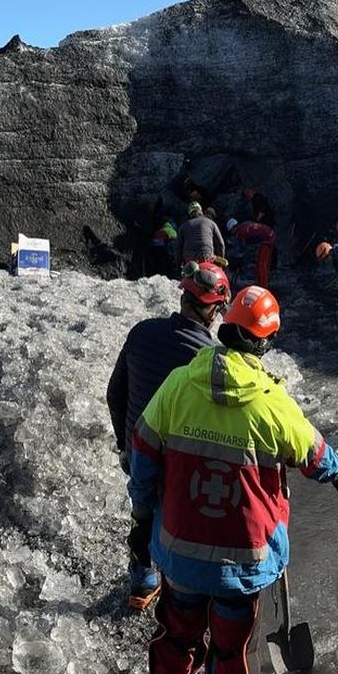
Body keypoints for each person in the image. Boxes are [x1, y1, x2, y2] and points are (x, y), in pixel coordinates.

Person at [128, 285, 338, 674]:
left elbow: (143, 455)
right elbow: (316, 454)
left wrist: (142, 520)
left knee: (174, 648)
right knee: (234, 664)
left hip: (181, 561)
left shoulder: (178, 384)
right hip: (243, 567)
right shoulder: (272, 402)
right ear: (266, 341)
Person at [107, 261, 229, 609]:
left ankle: (141, 579)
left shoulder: (141, 332)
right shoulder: (207, 358)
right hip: (180, 464)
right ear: (214, 310)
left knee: (142, 511)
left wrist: (124, 443)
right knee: (179, 525)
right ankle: (180, 588)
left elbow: (115, 393)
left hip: (136, 452)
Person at [231, 219, 276, 289]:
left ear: (233, 228)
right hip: (269, 235)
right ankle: (260, 283)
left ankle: (264, 287)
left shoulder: (240, 231)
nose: (232, 233)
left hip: (267, 239)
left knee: (262, 265)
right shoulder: (243, 225)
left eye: (231, 231)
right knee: (259, 263)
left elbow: (243, 247)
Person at [177, 201, 225, 266]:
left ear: (190, 214)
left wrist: (178, 265)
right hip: (206, 257)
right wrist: (221, 262)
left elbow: (178, 249)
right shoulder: (211, 223)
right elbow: (221, 244)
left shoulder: (183, 227)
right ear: (201, 211)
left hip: (189, 261)